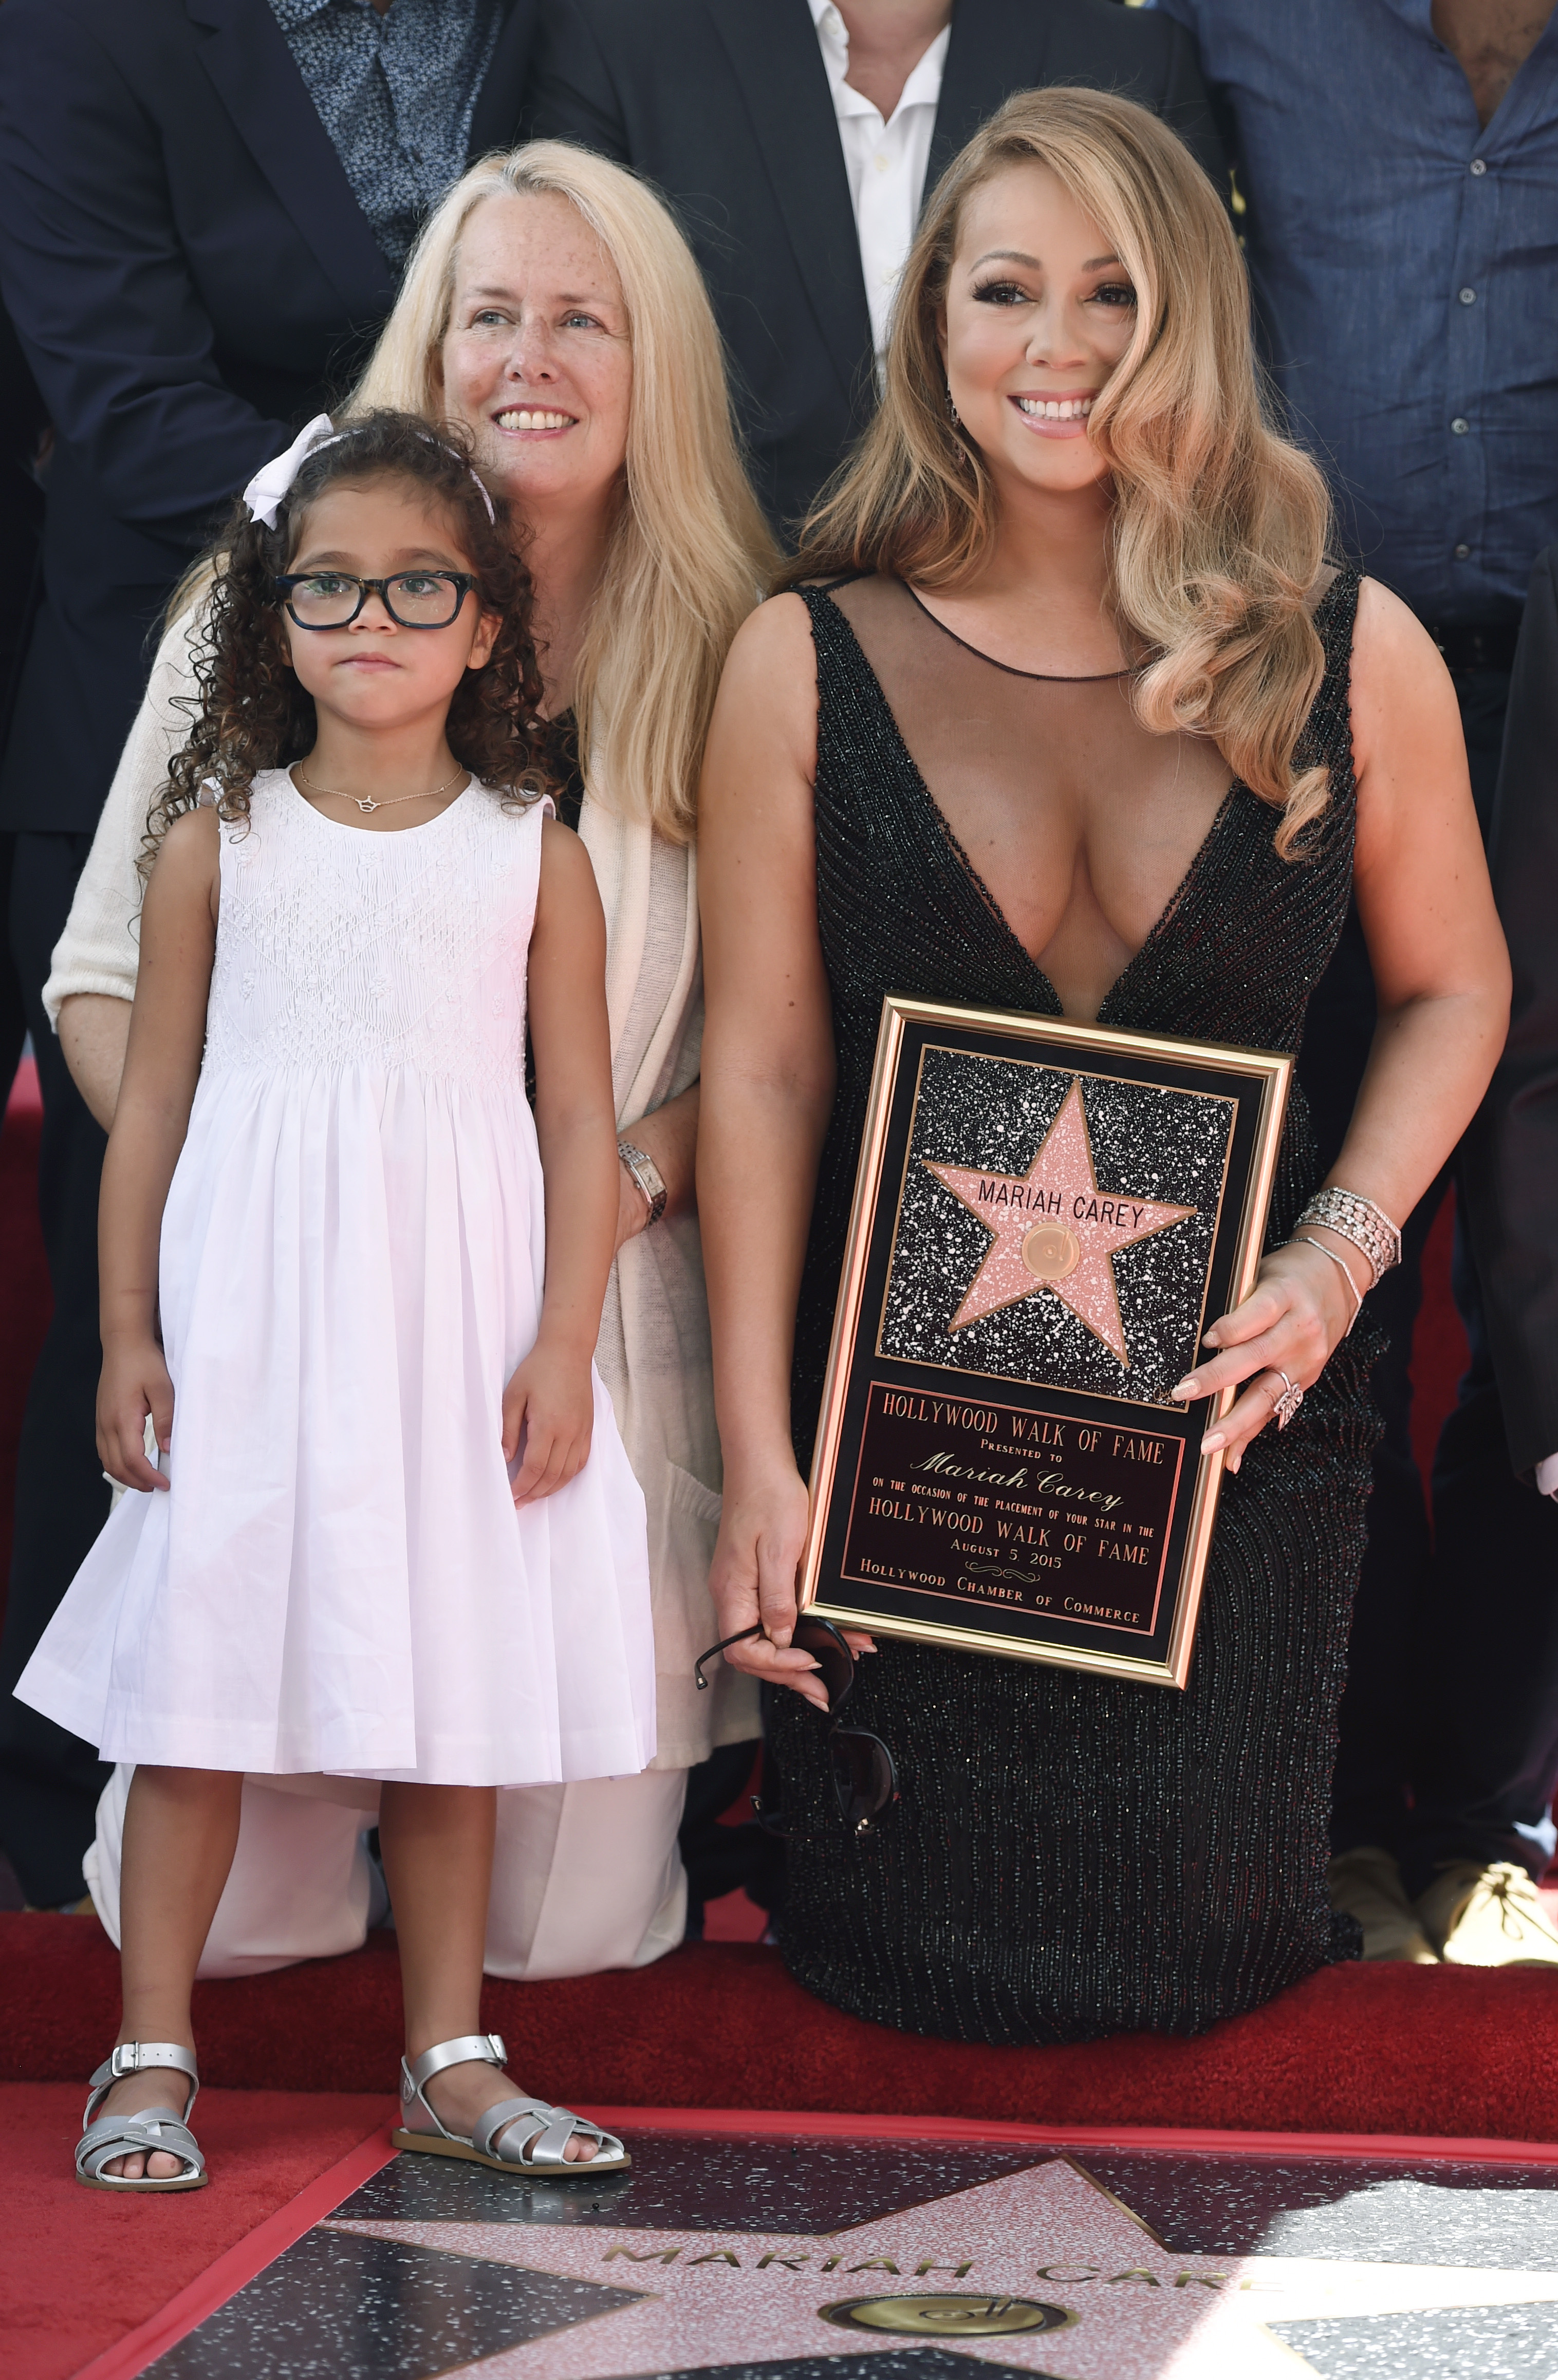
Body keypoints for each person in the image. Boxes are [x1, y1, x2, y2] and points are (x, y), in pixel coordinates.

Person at [696, 87, 1510, 2044]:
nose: (1053, 350)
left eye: (1111, 294)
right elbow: (760, 1073)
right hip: (904, 1461)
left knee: (1207, 1982)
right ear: (933, 329)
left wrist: (1337, 1255)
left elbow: (1457, 992)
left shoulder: (1348, 648)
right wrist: (755, 1461)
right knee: (881, 1978)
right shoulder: (799, 657)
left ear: (1195, 319)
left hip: (1239, 1440)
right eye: (1003, 291)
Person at [45, 143, 772, 1977]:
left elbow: (778, 1047)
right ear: (428, 344)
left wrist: (626, 1172)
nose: (531, 357)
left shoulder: (740, 646)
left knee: (570, 1941)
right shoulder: (273, 592)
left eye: (582, 319)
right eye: (491, 314)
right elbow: (100, 983)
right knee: (215, 1928)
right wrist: (277, 1205)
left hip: (568, 1356)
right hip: (294, 1340)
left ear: (653, 360)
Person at [17, 410, 653, 2189]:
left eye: (418, 586)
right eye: (329, 588)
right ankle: (149, 2054)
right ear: (271, 616)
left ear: (485, 624)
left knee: (442, 1690)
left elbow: (582, 1120)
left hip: (454, 1332)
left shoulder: (536, 851)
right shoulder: (224, 839)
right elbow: (149, 1103)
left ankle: (452, 2056)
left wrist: (557, 1341)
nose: (370, 618)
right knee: (200, 1689)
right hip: (253, 1323)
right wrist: (130, 1327)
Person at [0, 0, 542, 1914]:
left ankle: (430, 1779)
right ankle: (60, 1816)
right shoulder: (82, 31)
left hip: (508, 687)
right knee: (143, 1278)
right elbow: (125, 400)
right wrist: (398, 559)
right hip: (197, 686)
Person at [1155, 0, 1558, 1968]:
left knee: (1544, 1282)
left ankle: (1481, 1800)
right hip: (1301, 707)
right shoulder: (1247, 21)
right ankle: (1313, 1799)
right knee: (1321, 1251)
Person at [526, 0, 1223, 534]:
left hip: (1083, 625)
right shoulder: (618, 41)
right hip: (717, 619)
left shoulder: (1132, 56)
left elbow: (1199, 370)